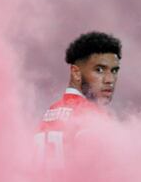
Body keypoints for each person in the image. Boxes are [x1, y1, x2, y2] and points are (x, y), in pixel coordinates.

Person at [34, 31, 122, 169]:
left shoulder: (49, 113)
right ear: (76, 72)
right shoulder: (94, 117)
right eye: (99, 70)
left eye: (114, 71)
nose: (109, 80)